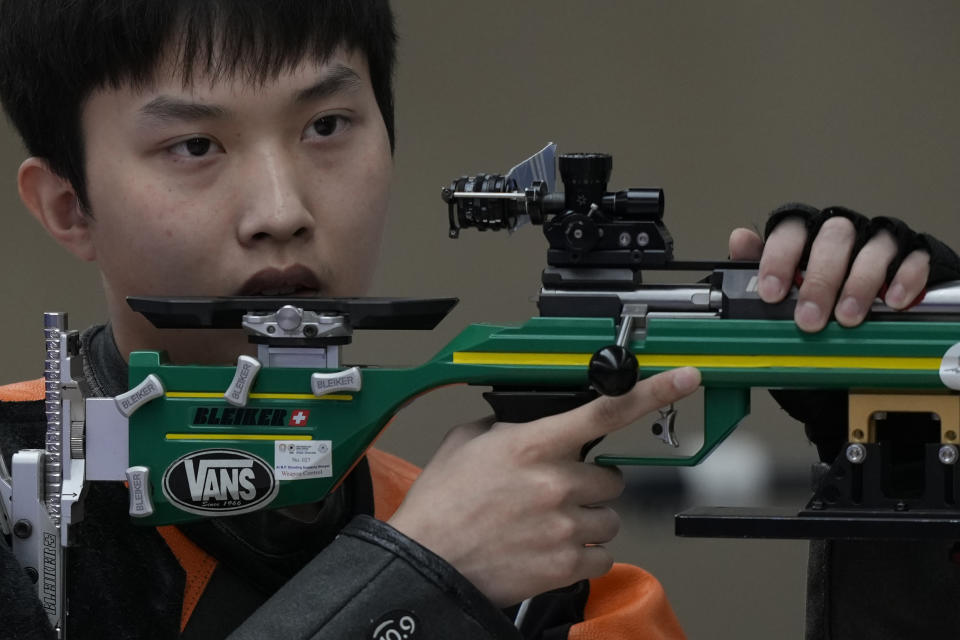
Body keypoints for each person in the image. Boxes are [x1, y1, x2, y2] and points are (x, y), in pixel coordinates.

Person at [0, 2, 695, 638]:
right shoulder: (462, 537)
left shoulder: (529, 560)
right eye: (195, 146)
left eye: (325, 126)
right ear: (67, 205)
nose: (281, 212)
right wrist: (420, 571)